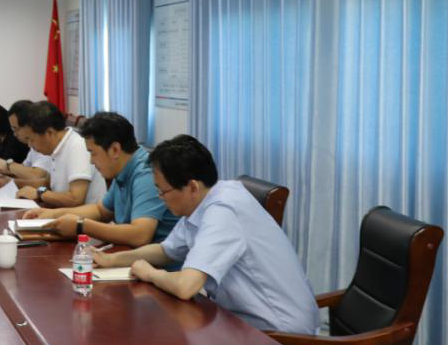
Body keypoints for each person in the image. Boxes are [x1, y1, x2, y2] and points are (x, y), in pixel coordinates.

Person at [93, 135, 319, 334]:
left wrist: (150, 273)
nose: (161, 198)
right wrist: (112, 260)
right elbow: (165, 251)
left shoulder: (223, 210)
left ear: (192, 187)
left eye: (163, 191)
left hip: (280, 336)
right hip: (240, 323)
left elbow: (186, 286)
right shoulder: (203, 201)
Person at [22, 112, 176, 246]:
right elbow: (101, 211)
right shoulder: (123, 168)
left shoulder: (146, 174)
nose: (91, 161)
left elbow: (140, 235)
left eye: (93, 153)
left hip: (158, 266)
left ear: (115, 150)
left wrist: (81, 225)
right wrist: (53, 214)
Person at [15, 101, 106, 207]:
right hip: (64, 212)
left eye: (31, 139)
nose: (30, 145)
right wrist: (12, 183)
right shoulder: (56, 148)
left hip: (84, 215)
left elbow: (75, 198)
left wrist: (39, 194)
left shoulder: (77, 146)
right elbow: (47, 184)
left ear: (49, 133)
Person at [0, 99, 50, 188]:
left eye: (15, 129)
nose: (14, 134)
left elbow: (38, 176)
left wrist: (7, 165)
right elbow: (23, 170)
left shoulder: (45, 144)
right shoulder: (33, 145)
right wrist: (3, 174)